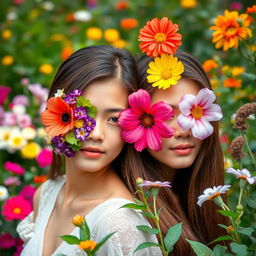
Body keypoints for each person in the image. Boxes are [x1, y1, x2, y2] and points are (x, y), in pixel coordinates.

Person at [17, 45, 162, 256]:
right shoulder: (47, 193)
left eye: (114, 119)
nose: (96, 133)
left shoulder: (119, 223)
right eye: (84, 113)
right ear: (58, 113)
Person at [120, 50, 230, 255]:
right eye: (167, 114)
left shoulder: (196, 194)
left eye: (193, 113)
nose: (183, 131)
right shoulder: (130, 215)